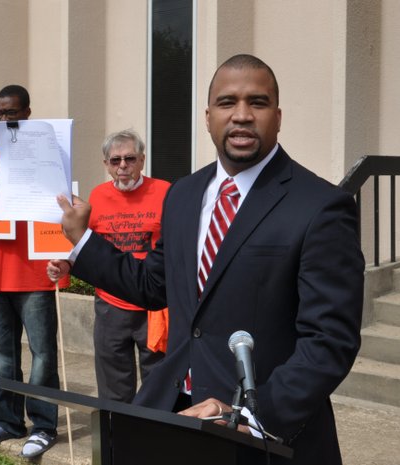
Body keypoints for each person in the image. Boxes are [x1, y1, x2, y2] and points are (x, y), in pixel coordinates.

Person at [50, 54, 364, 465]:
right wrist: (82, 240)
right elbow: (152, 284)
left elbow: (329, 342)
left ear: (279, 116)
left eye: (258, 102)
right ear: (208, 116)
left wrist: (251, 414)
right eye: (227, 102)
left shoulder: (321, 206)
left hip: (263, 435)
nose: (242, 115)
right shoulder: (183, 194)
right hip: (176, 413)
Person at [0, 84, 61, 459]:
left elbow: (55, 195)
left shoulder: (50, 148)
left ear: (27, 112)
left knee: (42, 354)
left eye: (12, 112)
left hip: (36, 273)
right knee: (2, 354)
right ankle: (8, 421)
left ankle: (43, 425)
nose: (6, 119)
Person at [52, 129, 169, 403]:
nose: (123, 166)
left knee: (159, 382)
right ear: (106, 165)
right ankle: (118, 440)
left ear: (142, 159)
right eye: (115, 161)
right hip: (110, 305)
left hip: (153, 307)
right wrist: (67, 265)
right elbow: (88, 246)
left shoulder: (165, 192)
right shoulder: (97, 197)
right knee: (113, 385)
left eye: (130, 158)